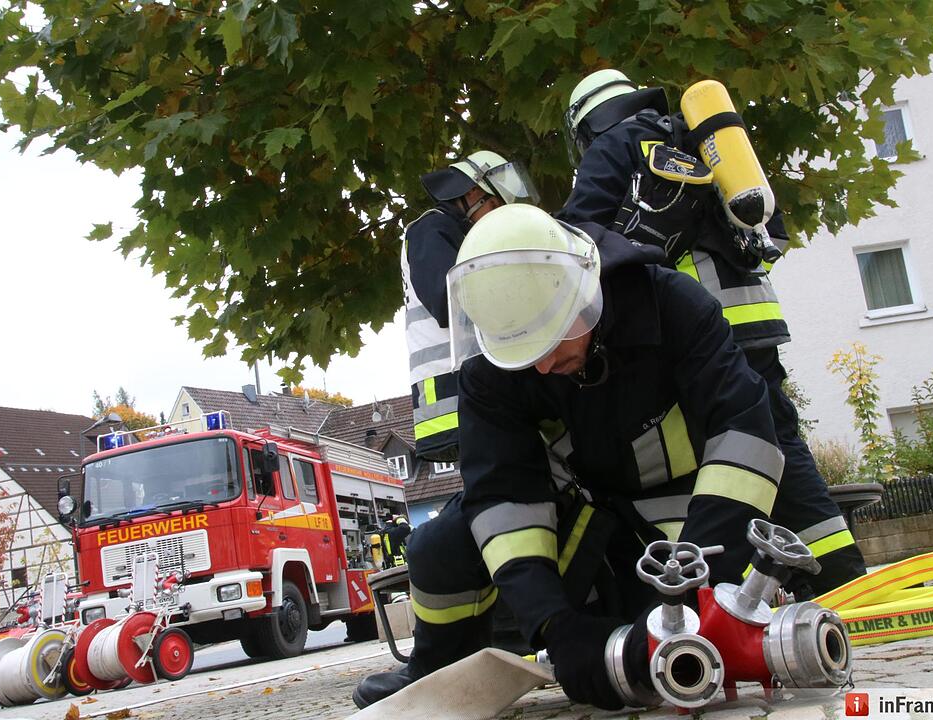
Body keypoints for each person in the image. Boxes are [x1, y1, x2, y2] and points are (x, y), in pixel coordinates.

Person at [354, 204, 785, 710]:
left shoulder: (670, 306)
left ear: (585, 293)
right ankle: (439, 668)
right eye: (521, 348)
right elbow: (502, 498)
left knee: (660, 638)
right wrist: (556, 627)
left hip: (682, 524)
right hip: (577, 514)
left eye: (551, 335)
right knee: (438, 547)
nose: (541, 365)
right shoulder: (494, 367)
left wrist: (695, 584)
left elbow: (748, 437)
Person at [557, 69, 866, 597]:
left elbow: (575, 237)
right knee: (777, 438)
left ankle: (765, 585)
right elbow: (771, 231)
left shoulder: (613, 146)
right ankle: (840, 577)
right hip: (755, 314)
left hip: (697, 326)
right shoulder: (703, 141)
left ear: (586, 125)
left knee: (723, 452)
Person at [403, 151, 540, 462]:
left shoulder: (457, 233)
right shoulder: (430, 230)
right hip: (452, 389)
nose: (498, 218)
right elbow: (447, 299)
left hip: (472, 382)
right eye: (495, 206)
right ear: (473, 194)